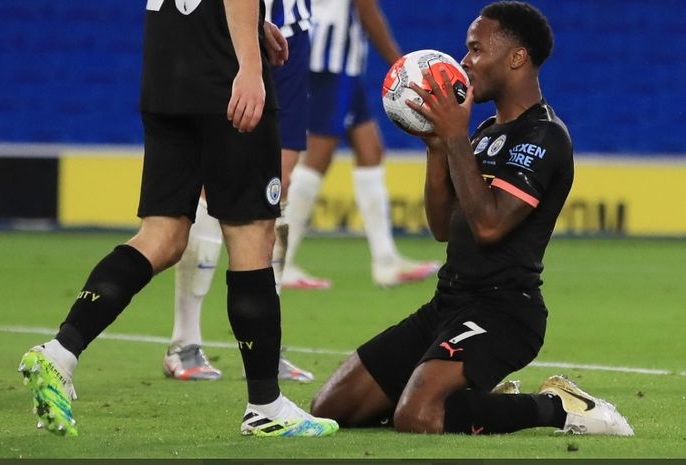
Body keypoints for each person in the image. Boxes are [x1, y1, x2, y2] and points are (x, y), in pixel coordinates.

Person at [310, 1, 634, 436]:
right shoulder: (482, 134)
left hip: (504, 312)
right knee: (331, 406)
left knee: (418, 416)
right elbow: (443, 227)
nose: (464, 61)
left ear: (517, 57)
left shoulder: (545, 136)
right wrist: (437, 148)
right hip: (448, 304)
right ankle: (471, 403)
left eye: (476, 49)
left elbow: (489, 225)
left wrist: (456, 137)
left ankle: (555, 406)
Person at [17, 0, 338, 438]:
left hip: (167, 70)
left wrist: (254, 24)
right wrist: (248, 65)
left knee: (162, 235)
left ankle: (60, 353)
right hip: (222, 74)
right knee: (252, 236)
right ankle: (266, 405)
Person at [162, 0, 316, 383]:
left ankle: (269, 345)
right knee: (209, 181)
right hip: (224, 34)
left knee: (276, 191)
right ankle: (184, 341)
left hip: (292, 32)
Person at [281, 0, 440, 289]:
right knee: (319, 153)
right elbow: (367, 9)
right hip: (330, 59)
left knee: (370, 150)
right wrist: (400, 65)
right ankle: (281, 260)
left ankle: (385, 260)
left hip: (338, 58)